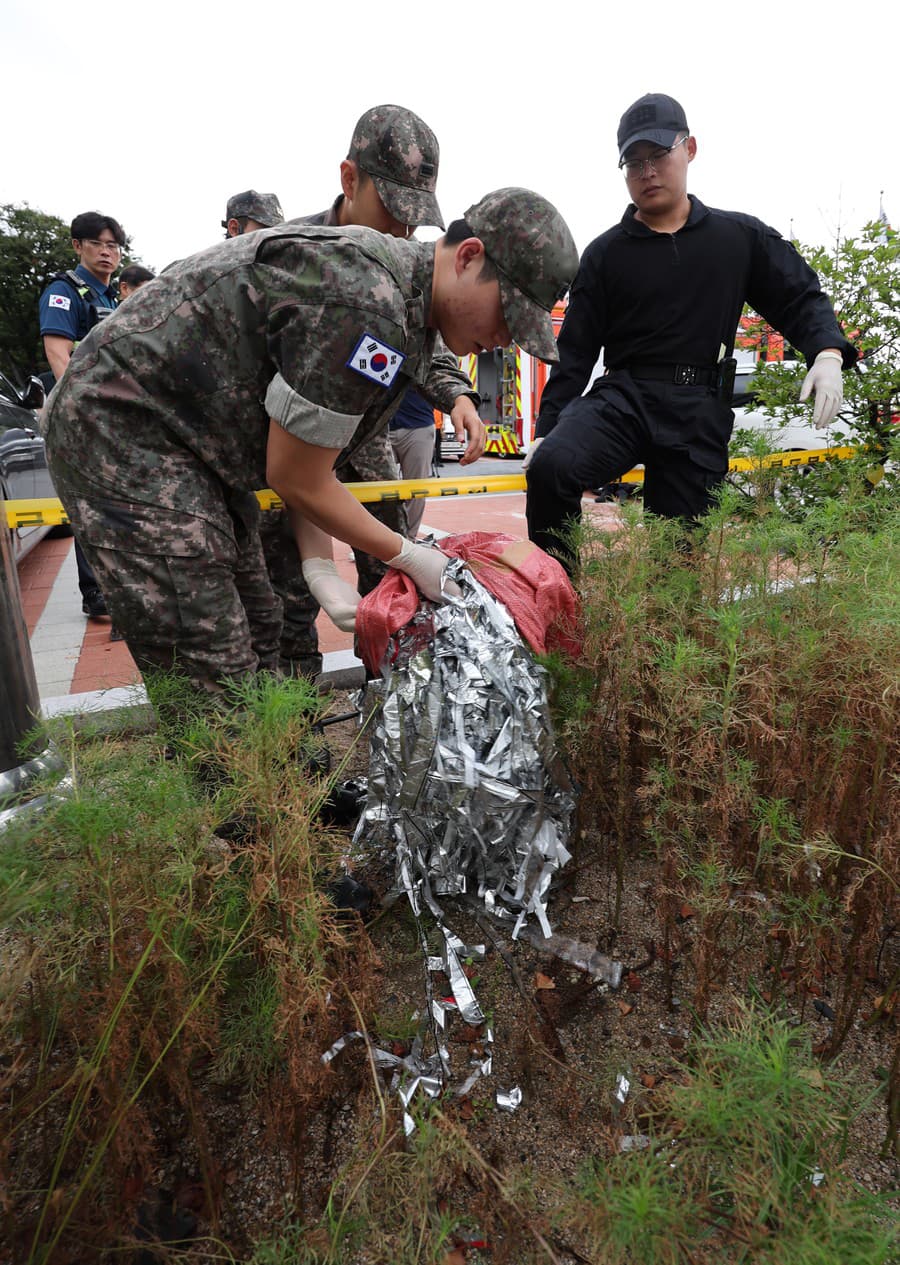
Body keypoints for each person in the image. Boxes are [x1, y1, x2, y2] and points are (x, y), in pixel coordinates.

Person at [42, 187, 577, 705]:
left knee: (260, 624)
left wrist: (319, 565)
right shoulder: (369, 301)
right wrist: (408, 555)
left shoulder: (412, 309)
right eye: (507, 315)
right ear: (467, 256)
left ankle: (274, 782)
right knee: (208, 657)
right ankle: (241, 792)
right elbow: (297, 475)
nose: (506, 339)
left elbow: (309, 452)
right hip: (124, 433)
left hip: (196, 448)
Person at [525, 93, 857, 572]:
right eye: (633, 162)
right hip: (625, 397)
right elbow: (573, 352)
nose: (647, 171)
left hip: (698, 408)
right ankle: (557, 605)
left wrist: (826, 353)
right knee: (551, 468)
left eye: (658, 155)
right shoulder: (604, 255)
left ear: (690, 149)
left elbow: (798, 295)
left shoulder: (737, 239)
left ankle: (667, 636)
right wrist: (546, 429)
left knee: (676, 563)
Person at [262, 104, 483, 678]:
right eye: (392, 213)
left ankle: (389, 693)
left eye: (415, 220)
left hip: (365, 445)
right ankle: (298, 716)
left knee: (391, 567)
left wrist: (457, 395)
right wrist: (315, 562)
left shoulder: (402, 268)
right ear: (348, 179)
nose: (402, 234)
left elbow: (420, 344)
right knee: (287, 594)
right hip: (281, 447)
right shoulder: (295, 256)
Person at [39, 210, 126, 620]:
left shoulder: (112, 297)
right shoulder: (66, 291)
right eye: (98, 244)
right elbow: (57, 351)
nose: (107, 252)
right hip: (84, 416)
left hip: (117, 414)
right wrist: (79, 407)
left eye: (113, 245)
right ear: (78, 245)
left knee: (117, 503)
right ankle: (96, 593)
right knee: (91, 505)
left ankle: (117, 585)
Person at [388, 388, 440, 537]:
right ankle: (376, 544)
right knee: (377, 488)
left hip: (419, 423)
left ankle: (409, 539)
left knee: (416, 488)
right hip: (379, 426)